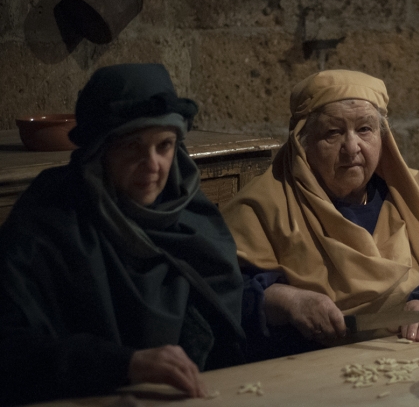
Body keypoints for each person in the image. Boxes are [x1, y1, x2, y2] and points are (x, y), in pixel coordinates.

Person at [0, 64, 257, 405]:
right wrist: (125, 364)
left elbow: (221, 313)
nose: (152, 164)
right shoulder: (50, 220)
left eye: (164, 145)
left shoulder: (191, 216)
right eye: (132, 147)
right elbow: (11, 347)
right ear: (100, 151)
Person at [221, 69, 419, 360]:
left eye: (365, 129)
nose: (352, 148)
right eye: (333, 133)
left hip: (416, 360)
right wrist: (286, 300)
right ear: (304, 143)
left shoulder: (418, 194)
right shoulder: (264, 206)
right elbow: (222, 293)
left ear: (383, 137)